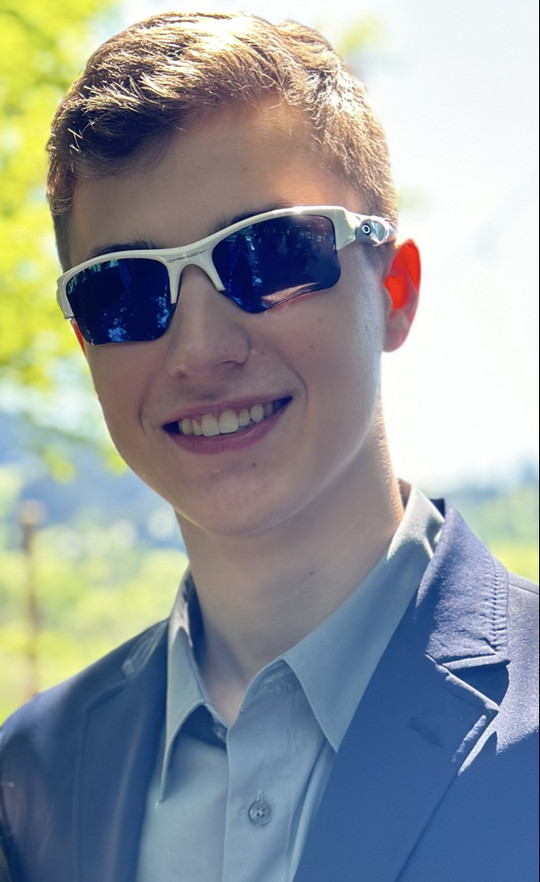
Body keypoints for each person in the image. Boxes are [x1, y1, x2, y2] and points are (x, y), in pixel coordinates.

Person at [0, 10, 537, 882]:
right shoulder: (29, 779)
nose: (200, 350)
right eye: (124, 291)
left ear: (394, 290)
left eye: (269, 255)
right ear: (86, 343)